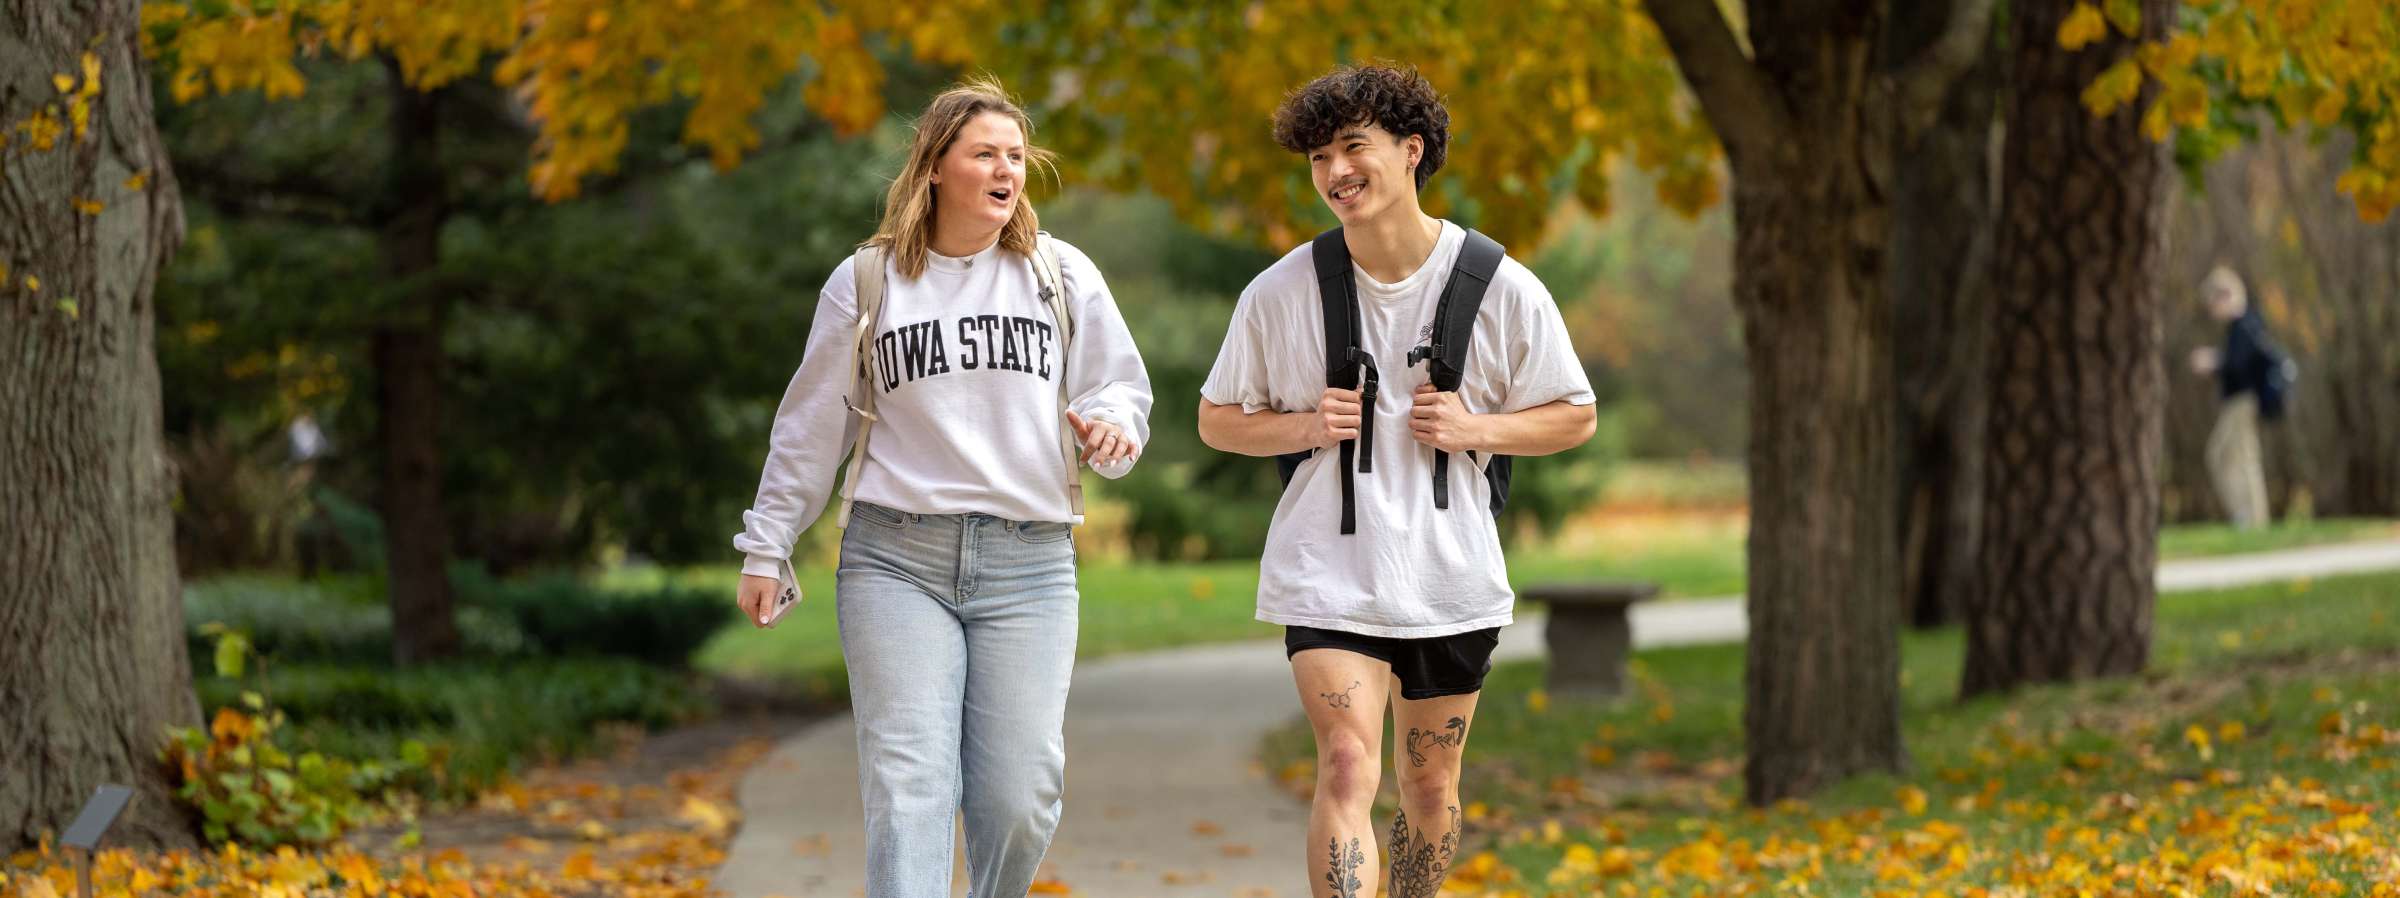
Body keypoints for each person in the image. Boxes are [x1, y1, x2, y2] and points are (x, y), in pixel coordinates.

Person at [730, 77, 1152, 897]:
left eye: (1016, 156)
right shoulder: (869, 282)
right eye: (984, 153)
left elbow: (1118, 392)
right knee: (908, 785)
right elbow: (813, 427)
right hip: (895, 559)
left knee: (1022, 794)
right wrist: (767, 543)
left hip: (1029, 566)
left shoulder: (1058, 275)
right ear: (934, 167)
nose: (1006, 170)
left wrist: (1110, 429)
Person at [1195, 64, 1596, 898]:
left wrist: (1475, 427)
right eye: (1317, 158)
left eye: (1353, 147)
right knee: (1346, 765)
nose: (1334, 172)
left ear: (1411, 150)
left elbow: (1573, 414)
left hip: (1451, 577)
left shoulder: (1501, 287)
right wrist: (1307, 425)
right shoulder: (1281, 293)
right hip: (1329, 573)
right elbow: (1217, 418)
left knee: (1428, 787)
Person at [2187, 264, 2288, 530]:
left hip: (2243, 402)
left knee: (2239, 457)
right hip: (2235, 401)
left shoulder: (2246, 323)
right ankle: (2246, 516)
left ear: (2225, 296)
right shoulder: (2238, 327)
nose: (2212, 311)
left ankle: (2252, 519)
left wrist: (2213, 361)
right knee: (2226, 456)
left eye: (2214, 302)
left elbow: (2239, 364)